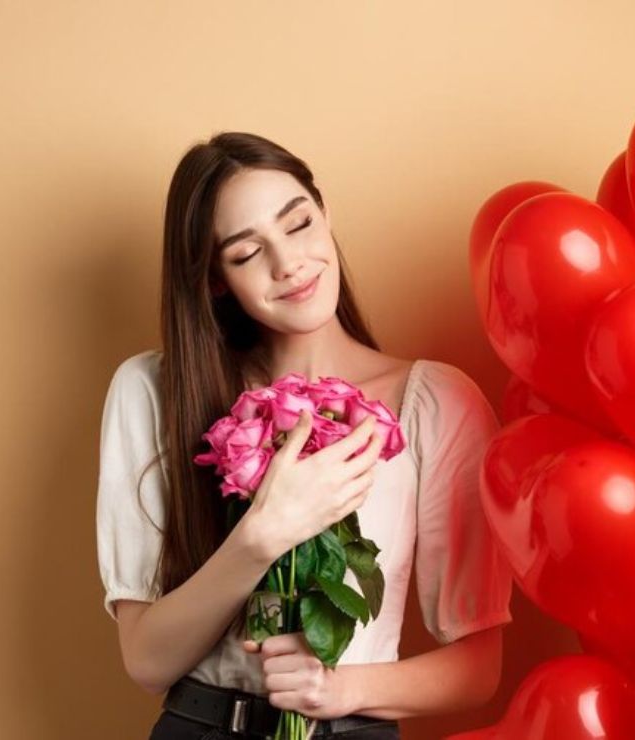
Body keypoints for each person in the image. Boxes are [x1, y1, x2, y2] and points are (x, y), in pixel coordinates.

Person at [96, 131, 513, 739]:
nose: (288, 263)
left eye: (298, 224)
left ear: (325, 216)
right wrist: (263, 534)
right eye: (245, 253)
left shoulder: (437, 403)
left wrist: (336, 688)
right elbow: (147, 659)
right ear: (215, 280)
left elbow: (478, 668)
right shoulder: (155, 392)